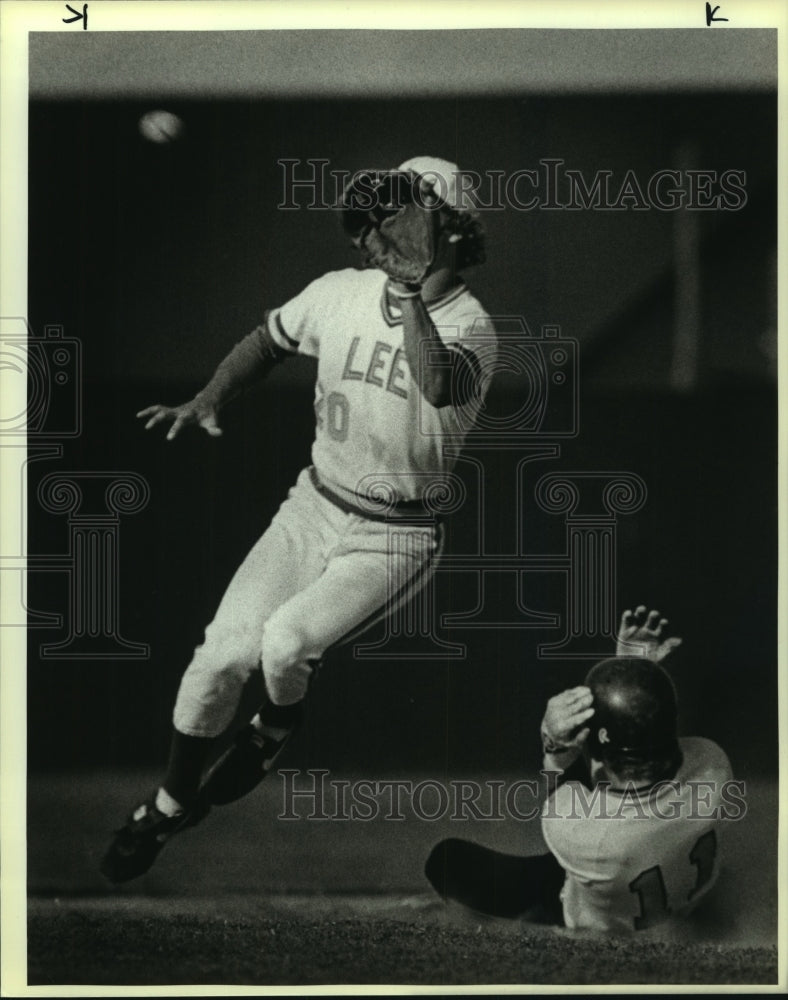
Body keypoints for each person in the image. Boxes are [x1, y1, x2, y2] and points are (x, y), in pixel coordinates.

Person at [101, 156, 494, 883]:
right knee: (221, 656)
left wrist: (411, 290)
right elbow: (268, 342)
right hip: (312, 506)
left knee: (284, 645)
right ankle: (165, 807)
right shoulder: (339, 293)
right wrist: (211, 396)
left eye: (395, 216)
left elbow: (438, 383)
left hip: (393, 535)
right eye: (372, 222)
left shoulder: (473, 326)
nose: (373, 236)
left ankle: (278, 724)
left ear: (446, 225)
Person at [426, 607, 736, 934]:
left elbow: (568, 782)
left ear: (599, 746)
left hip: (588, 901)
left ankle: (526, 931)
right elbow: (642, 741)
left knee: (447, 860)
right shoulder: (712, 764)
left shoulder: (583, 837)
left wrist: (554, 744)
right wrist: (636, 676)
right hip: (675, 887)